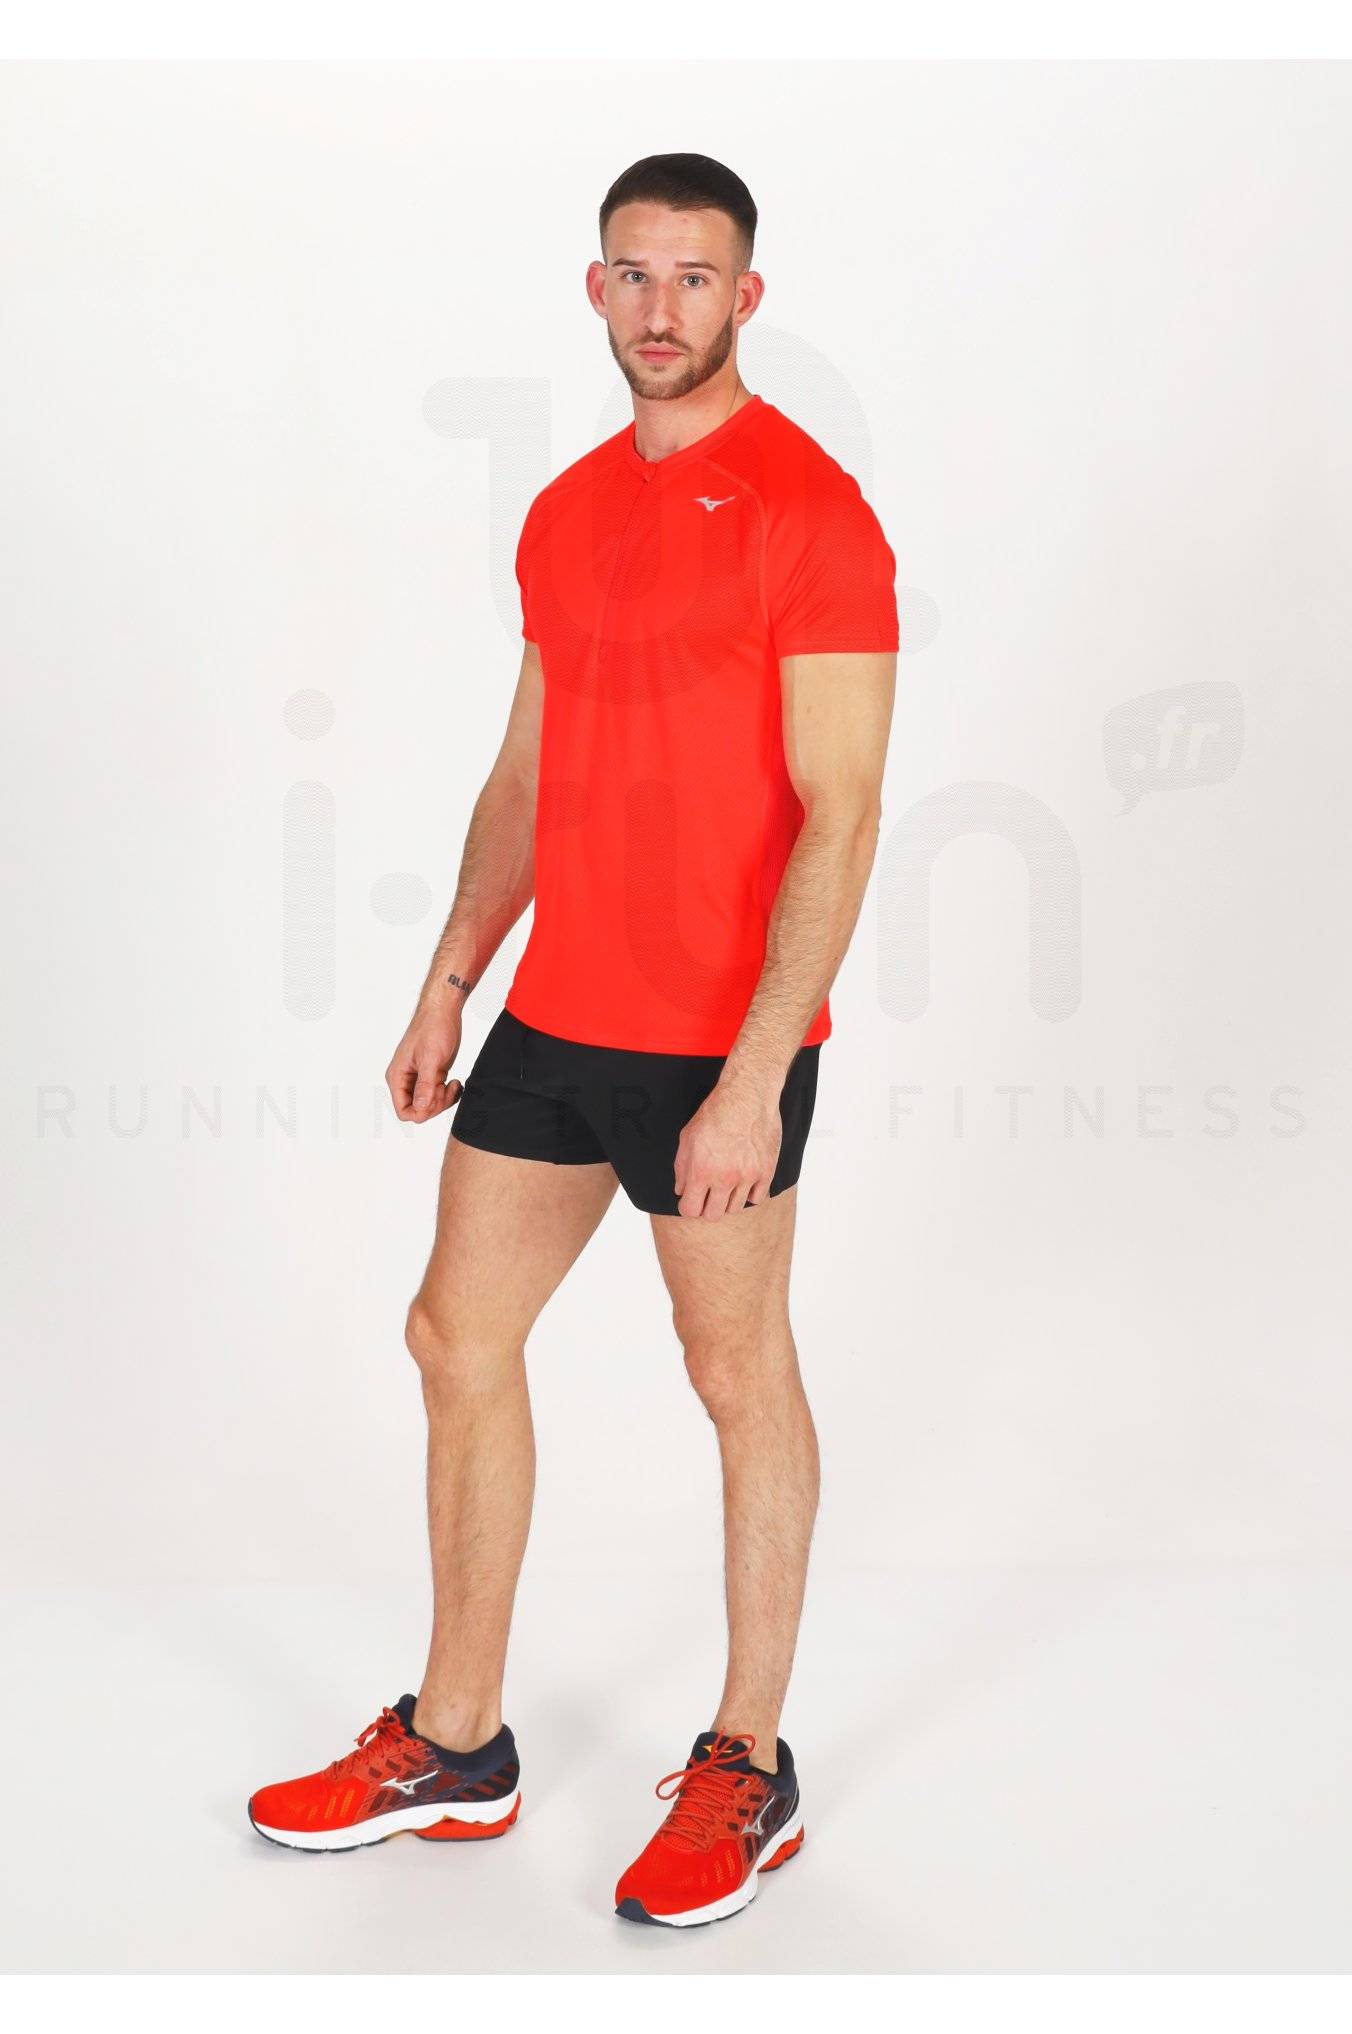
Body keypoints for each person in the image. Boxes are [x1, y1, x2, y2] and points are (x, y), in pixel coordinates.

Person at [248, 151, 899, 1930]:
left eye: (695, 276)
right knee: (455, 1334)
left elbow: (844, 812)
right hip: (557, 1012)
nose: (660, 306)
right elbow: (531, 765)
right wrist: (453, 972)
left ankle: (747, 1763)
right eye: (633, 272)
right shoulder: (562, 510)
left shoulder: (814, 513)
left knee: (734, 1373)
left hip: (718, 1042)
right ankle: (458, 1739)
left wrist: (757, 1071)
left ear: (747, 297)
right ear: (594, 288)